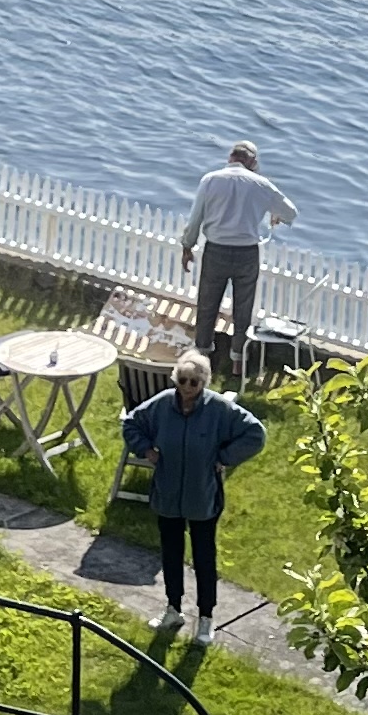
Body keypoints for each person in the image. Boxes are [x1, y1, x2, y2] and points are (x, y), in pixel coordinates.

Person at [119, 349, 266, 640]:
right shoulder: (162, 405)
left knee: (204, 558)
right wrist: (146, 449)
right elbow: (130, 423)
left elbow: (256, 434)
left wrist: (224, 456)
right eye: (183, 380)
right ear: (176, 379)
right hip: (168, 494)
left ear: (204, 383)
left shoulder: (219, 409)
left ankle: (206, 618)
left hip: (203, 497)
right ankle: (173, 609)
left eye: (194, 383)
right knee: (171, 554)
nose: (187, 388)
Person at [180, 140, 297, 375]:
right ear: (252, 162)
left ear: (230, 157)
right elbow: (290, 212)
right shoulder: (262, 184)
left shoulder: (210, 180)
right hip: (247, 252)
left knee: (207, 304)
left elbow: (196, 218)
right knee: (243, 308)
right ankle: (238, 361)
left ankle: (202, 356)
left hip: (216, 249)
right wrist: (276, 215)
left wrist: (187, 246)